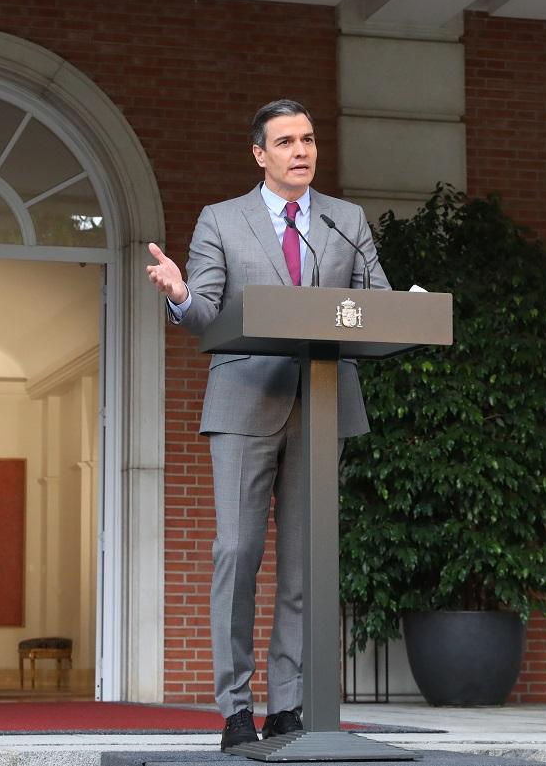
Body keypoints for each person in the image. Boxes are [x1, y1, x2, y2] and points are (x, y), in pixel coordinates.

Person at [145, 99, 389, 751]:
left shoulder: (346, 221)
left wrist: (400, 310)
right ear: (260, 154)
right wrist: (179, 296)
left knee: (306, 566)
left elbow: (378, 304)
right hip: (245, 400)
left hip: (322, 399)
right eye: (285, 141)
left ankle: (287, 707)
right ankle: (234, 705)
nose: (300, 150)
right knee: (237, 551)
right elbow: (205, 310)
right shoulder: (220, 220)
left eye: (308, 139)